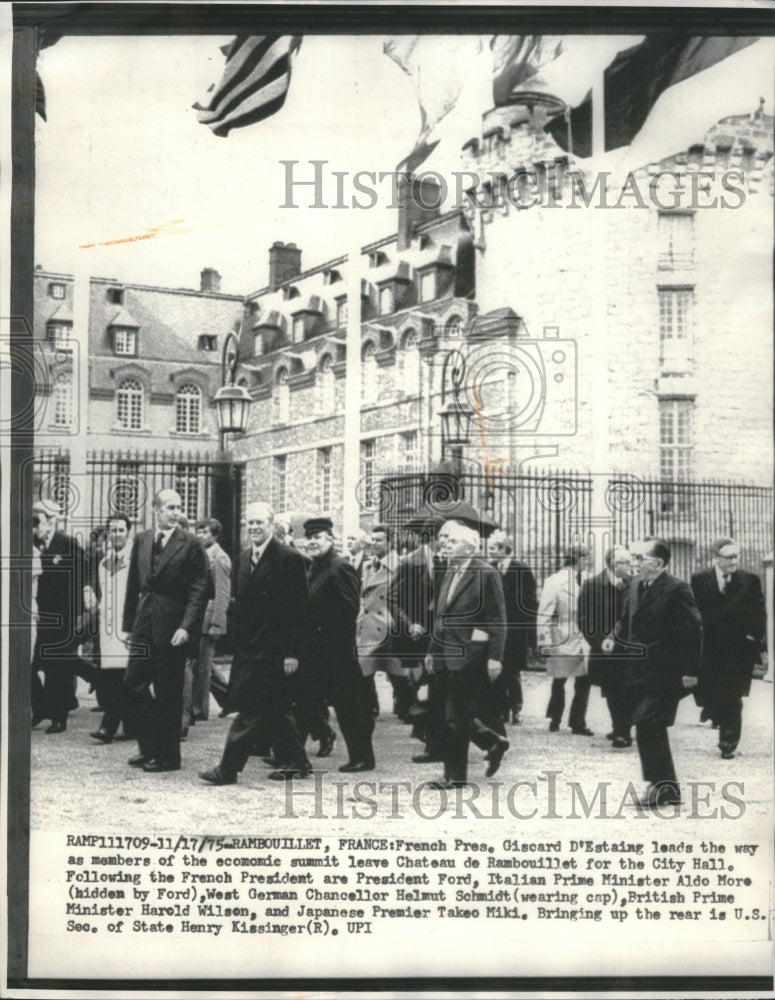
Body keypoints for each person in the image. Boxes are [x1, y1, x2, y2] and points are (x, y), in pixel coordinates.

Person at [199, 501, 312, 784]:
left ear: (271, 524)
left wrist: (292, 653)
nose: (254, 528)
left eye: (259, 523)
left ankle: (228, 769)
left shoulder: (289, 558)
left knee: (249, 711)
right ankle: (298, 762)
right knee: (276, 710)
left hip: (275, 651)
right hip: (250, 648)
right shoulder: (245, 557)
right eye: (249, 523)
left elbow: (298, 611)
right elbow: (241, 606)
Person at [606, 538, 702, 808]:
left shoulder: (676, 589)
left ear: (658, 563)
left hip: (666, 672)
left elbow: (694, 631)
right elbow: (627, 619)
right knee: (651, 726)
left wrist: (691, 671)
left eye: (640, 559)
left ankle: (659, 786)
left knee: (647, 723)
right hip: (638, 671)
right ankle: (667, 788)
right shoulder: (636, 585)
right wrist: (614, 637)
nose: (634, 564)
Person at [121, 489, 208, 773]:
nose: (176, 512)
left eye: (179, 507)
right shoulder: (143, 539)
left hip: (172, 631)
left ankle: (169, 757)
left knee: (169, 694)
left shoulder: (192, 544)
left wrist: (186, 627)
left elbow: (199, 590)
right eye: (170, 507)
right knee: (132, 685)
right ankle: (149, 747)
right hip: (143, 627)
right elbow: (134, 584)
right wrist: (127, 626)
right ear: (156, 510)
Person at [425, 520, 508, 789]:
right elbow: (440, 616)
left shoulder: (485, 573)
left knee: (455, 716)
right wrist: (431, 651)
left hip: (471, 654)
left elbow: (497, 619)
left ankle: (456, 776)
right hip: (446, 652)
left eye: (451, 541)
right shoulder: (449, 571)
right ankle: (492, 742)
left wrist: (495, 656)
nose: (445, 545)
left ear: (470, 545)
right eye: (444, 541)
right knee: (452, 715)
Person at [304, 516, 375, 773]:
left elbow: (348, 609)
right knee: (307, 702)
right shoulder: (315, 566)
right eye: (309, 538)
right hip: (318, 651)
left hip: (337, 652)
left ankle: (363, 757)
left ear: (330, 540)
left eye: (318, 538)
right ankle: (293, 755)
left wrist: (326, 634)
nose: (312, 543)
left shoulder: (338, 566)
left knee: (348, 709)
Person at [691, 538, 767, 760]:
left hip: (738, 648)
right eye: (728, 557)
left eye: (736, 556)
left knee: (733, 696)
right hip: (710, 648)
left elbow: (759, 609)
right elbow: (694, 610)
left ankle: (728, 742)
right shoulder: (699, 579)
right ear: (716, 558)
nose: (734, 561)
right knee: (711, 690)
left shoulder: (750, 580)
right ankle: (713, 709)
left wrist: (755, 635)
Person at [31, 499, 98, 733]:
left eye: (36, 523)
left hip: (64, 614)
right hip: (40, 615)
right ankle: (41, 706)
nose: (33, 528)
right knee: (33, 663)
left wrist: (87, 589)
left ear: (50, 523)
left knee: (56, 666)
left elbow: (87, 568)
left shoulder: (66, 544)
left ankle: (59, 717)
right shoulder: (32, 544)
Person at [388, 521, 445, 763]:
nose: (446, 543)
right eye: (443, 538)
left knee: (439, 688)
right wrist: (409, 623)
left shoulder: (446, 562)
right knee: (421, 686)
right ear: (431, 539)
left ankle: (431, 739)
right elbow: (393, 598)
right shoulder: (409, 562)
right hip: (416, 635)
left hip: (440, 634)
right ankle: (427, 735)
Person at [579, 545, 633, 748]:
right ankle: (621, 729)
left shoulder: (634, 584)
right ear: (611, 563)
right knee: (612, 690)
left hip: (629, 649)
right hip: (604, 649)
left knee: (628, 690)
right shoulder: (592, 585)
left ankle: (623, 727)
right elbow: (584, 620)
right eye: (623, 562)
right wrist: (600, 642)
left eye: (629, 562)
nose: (628, 566)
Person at [538, 545, 593, 735]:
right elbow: (544, 614)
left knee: (584, 681)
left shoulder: (588, 579)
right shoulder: (554, 581)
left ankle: (578, 722)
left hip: (584, 635)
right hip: (562, 634)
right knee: (559, 679)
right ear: (577, 559)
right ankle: (555, 717)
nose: (588, 562)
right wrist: (543, 641)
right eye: (586, 559)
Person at [357, 523, 408, 720]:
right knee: (363, 669)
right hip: (368, 625)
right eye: (373, 539)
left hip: (390, 624)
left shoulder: (400, 566)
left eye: (379, 540)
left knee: (398, 674)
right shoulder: (368, 566)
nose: (374, 543)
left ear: (390, 543)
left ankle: (406, 706)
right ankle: (370, 706)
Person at [90, 514, 134, 743]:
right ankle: (133, 724)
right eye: (113, 531)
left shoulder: (136, 558)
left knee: (125, 678)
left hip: (127, 628)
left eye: (121, 530)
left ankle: (108, 726)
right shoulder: (103, 562)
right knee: (118, 678)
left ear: (128, 532)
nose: (116, 535)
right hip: (108, 628)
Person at [184, 518, 232, 724]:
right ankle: (231, 699)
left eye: (204, 532)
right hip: (198, 617)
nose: (201, 536)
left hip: (208, 618)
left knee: (202, 667)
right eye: (199, 532)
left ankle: (198, 709)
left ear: (215, 535)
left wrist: (217, 623)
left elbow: (222, 594)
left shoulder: (219, 558)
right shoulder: (203, 555)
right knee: (205, 665)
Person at [488, 530, 537, 725]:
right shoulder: (488, 568)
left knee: (513, 672)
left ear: (504, 549)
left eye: (493, 548)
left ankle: (516, 707)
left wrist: (531, 637)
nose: (490, 552)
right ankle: (500, 709)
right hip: (496, 629)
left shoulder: (522, 570)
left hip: (516, 631)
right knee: (497, 670)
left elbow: (530, 604)